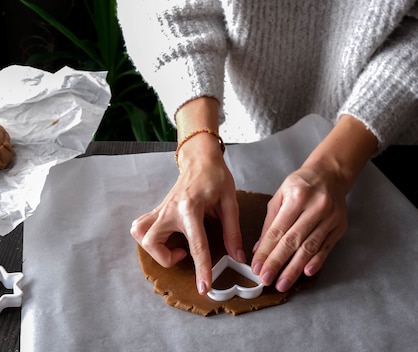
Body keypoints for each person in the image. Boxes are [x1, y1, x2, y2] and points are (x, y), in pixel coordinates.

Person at [117, 0, 418, 295]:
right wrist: (197, 148)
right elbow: (161, 10)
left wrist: (336, 167)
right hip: (236, 130)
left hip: (381, 136)